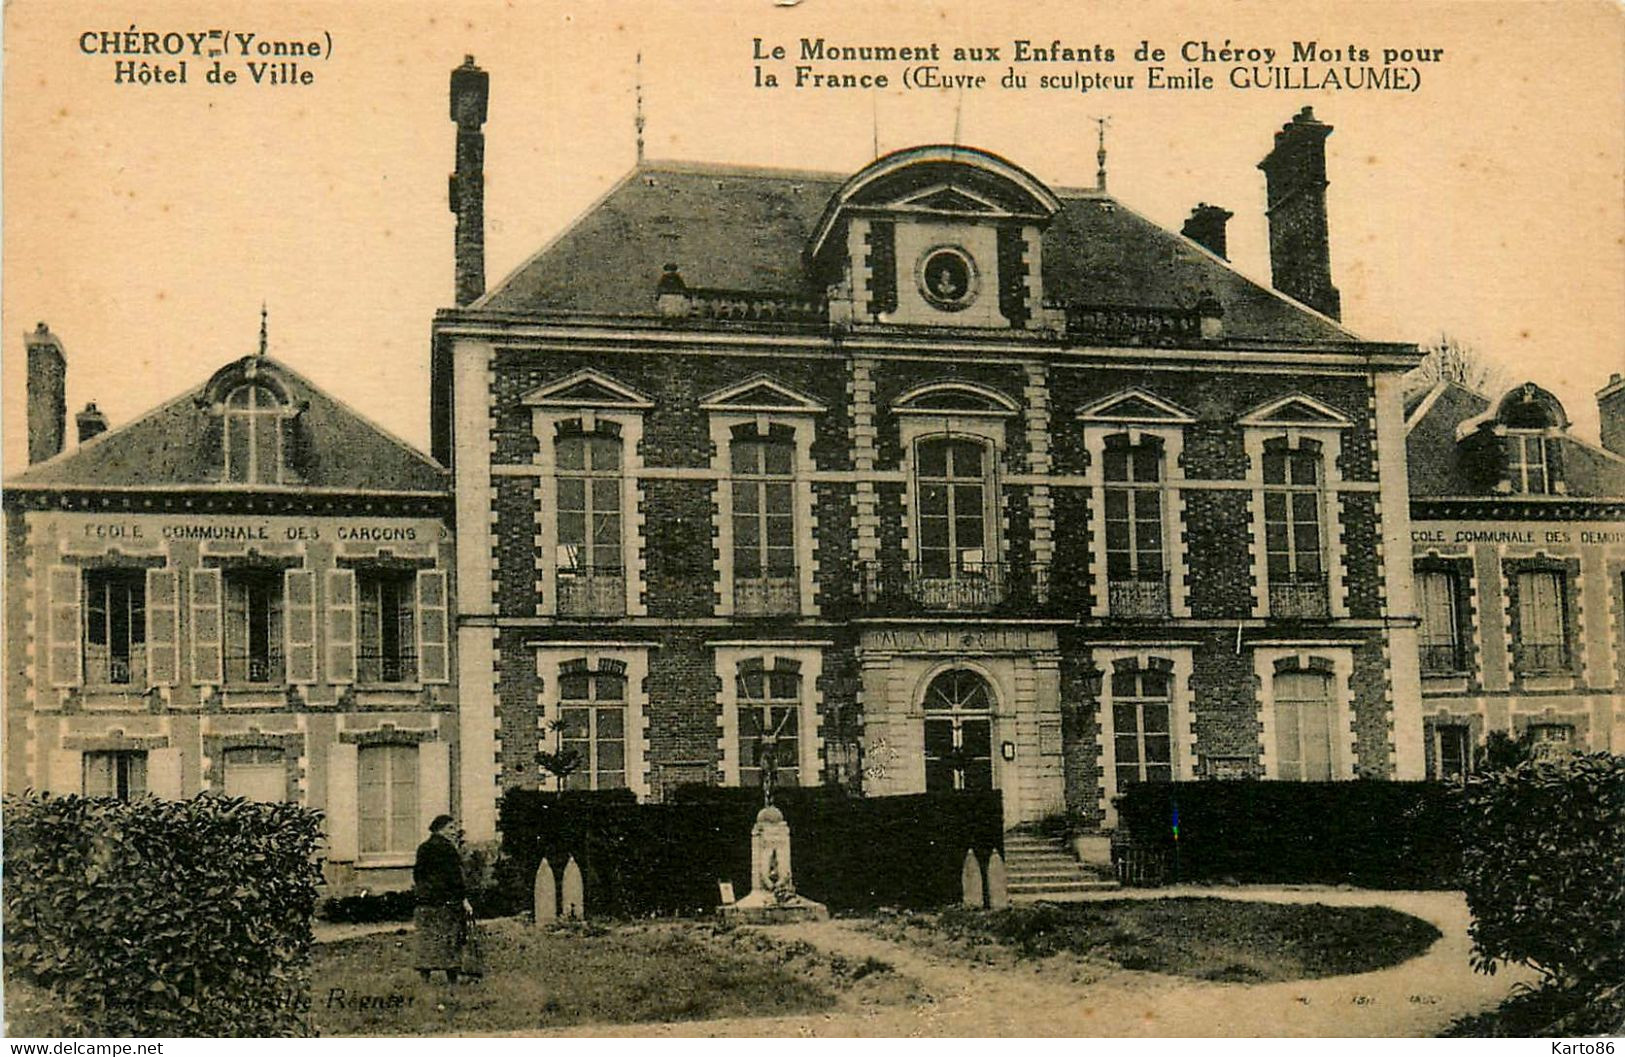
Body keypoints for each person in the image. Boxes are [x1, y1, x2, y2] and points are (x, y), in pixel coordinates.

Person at [413, 814, 470, 984]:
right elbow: (455, 878)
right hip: (447, 902)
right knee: (450, 940)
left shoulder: (423, 848)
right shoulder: (447, 849)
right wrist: (463, 899)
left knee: (427, 940)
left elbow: (417, 875)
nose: (454, 832)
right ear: (439, 829)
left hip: (425, 901)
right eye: (450, 828)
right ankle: (452, 979)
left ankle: (425, 978)